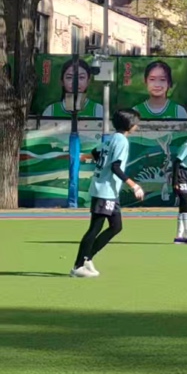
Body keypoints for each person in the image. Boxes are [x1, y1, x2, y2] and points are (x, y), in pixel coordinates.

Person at [72, 109, 144, 278]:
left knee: (116, 226)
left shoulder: (111, 138)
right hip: (104, 190)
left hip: (109, 191)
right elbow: (115, 167)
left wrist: (84, 156)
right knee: (94, 229)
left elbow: (96, 153)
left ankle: (88, 257)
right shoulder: (122, 141)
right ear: (129, 124)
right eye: (136, 123)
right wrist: (134, 186)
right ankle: (78, 266)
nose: (137, 126)